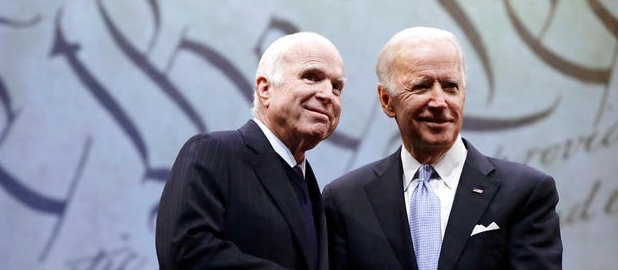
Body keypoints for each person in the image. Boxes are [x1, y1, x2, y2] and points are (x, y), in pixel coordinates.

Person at [323, 27, 562, 269]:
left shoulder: (525, 192)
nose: (439, 102)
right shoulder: (346, 200)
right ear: (386, 100)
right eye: (422, 86)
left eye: (450, 86)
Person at [156, 32, 346, 270]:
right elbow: (185, 251)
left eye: (337, 87)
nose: (328, 95)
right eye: (311, 77)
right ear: (265, 89)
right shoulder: (213, 152)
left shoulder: (311, 187)